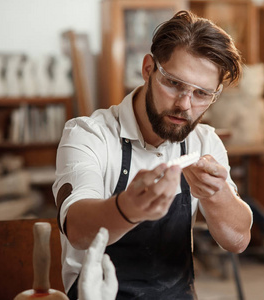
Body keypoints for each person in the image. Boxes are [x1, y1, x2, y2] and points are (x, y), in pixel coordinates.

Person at [53, 10, 253, 299]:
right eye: (173, 83)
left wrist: (217, 194)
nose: (184, 105)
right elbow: (77, 229)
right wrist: (129, 208)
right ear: (148, 68)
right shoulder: (88, 134)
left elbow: (238, 240)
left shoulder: (205, 142)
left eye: (201, 94)